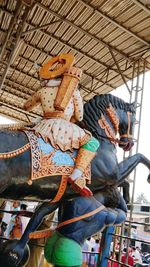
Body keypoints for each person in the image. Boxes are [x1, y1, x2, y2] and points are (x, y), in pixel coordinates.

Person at [24, 53, 100, 197]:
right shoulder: (73, 91)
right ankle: (77, 175)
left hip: (43, 126)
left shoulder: (43, 90)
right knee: (92, 142)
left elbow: (26, 106)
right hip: (64, 127)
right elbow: (79, 116)